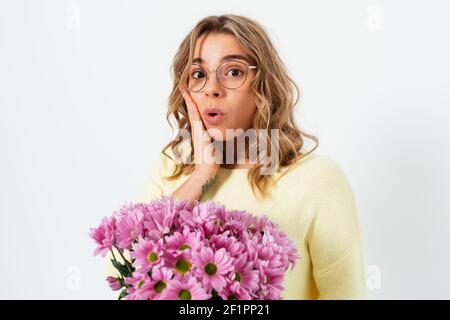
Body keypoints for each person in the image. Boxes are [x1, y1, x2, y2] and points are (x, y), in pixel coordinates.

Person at [105, 14, 367, 300]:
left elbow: (346, 295)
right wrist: (201, 176)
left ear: (263, 84)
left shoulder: (317, 179)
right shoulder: (172, 169)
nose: (212, 89)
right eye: (198, 74)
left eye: (233, 72)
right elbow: (124, 270)